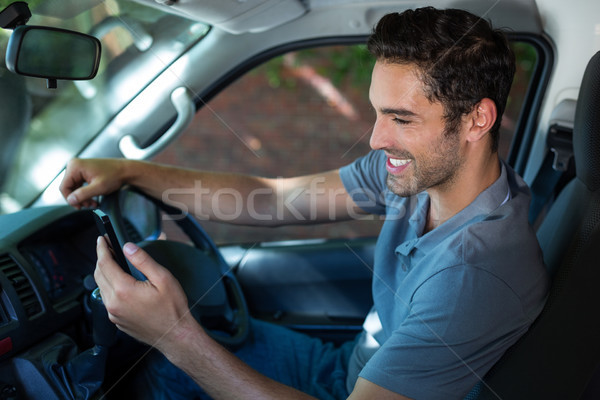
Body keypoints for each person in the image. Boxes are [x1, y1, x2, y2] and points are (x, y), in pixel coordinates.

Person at [60, 7, 549, 400]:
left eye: (402, 118)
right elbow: (274, 201)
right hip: (346, 369)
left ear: (476, 121)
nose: (377, 139)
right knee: (160, 368)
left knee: (164, 368)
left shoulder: (474, 275)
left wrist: (174, 334)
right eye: (379, 113)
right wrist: (128, 171)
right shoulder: (422, 176)